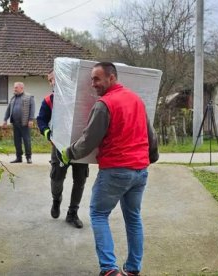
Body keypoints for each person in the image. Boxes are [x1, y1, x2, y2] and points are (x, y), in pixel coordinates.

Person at [60, 62, 159, 276]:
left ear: (112, 78)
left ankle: (109, 269)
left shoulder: (105, 104)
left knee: (98, 213)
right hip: (140, 171)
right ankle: (133, 269)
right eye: (92, 79)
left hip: (116, 169)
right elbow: (151, 134)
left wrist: (69, 153)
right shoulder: (136, 99)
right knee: (133, 217)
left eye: (97, 79)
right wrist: (152, 156)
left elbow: (88, 140)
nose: (93, 84)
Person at [36, 70, 89, 229]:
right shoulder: (49, 100)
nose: (53, 82)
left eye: (55, 79)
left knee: (80, 181)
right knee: (57, 179)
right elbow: (41, 120)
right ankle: (56, 200)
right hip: (59, 147)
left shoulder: (80, 99)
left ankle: (72, 213)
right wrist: (47, 133)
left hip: (80, 148)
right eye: (50, 80)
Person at [3, 82, 35, 164]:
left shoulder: (29, 97)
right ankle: (18, 157)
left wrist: (31, 119)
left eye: (16, 87)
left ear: (21, 88)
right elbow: (8, 109)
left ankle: (28, 157)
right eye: (14, 87)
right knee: (17, 141)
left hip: (24, 123)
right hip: (15, 123)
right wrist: (5, 120)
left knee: (26, 141)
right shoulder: (13, 98)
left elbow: (32, 109)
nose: (14, 89)